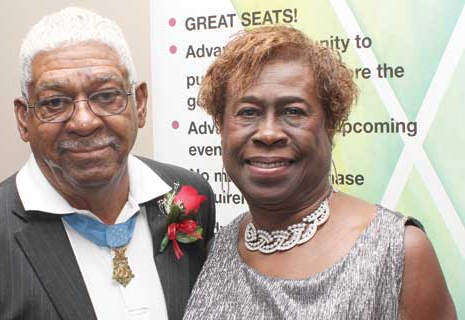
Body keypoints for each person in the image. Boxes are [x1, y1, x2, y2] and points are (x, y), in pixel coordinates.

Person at [0, 7, 215, 320]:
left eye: (106, 96)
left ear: (140, 104)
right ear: (24, 119)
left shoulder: (188, 196)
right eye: (55, 102)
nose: (84, 122)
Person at [184, 26, 456, 319]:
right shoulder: (216, 250)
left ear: (330, 126)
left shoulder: (398, 252)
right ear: (221, 129)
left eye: (294, 111)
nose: (269, 133)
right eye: (248, 112)